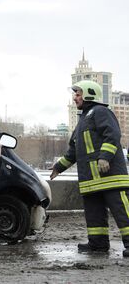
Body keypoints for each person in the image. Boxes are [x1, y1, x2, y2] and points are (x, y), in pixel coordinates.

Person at [51, 80, 129, 257]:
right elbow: (73, 151)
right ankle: (98, 244)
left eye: (78, 94)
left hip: (110, 177)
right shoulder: (82, 120)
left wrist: (105, 157)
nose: (75, 98)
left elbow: (113, 135)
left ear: (89, 94)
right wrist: (58, 167)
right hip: (91, 181)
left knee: (122, 211)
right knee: (94, 215)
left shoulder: (101, 112)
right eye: (75, 94)